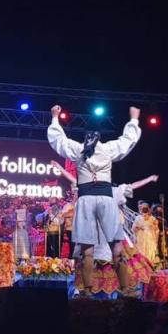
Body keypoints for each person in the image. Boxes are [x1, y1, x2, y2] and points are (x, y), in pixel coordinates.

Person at [47, 104, 141, 297]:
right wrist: (133, 120)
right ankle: (125, 289)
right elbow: (127, 141)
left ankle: (87, 291)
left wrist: (55, 117)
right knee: (116, 246)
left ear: (85, 136)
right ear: (100, 136)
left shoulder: (78, 149)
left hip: (87, 200)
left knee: (87, 249)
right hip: (105, 199)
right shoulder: (107, 149)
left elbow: (58, 141)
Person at [134, 201, 160, 266]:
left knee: (150, 250)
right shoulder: (138, 218)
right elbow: (134, 228)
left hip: (150, 237)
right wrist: (138, 228)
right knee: (142, 250)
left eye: (146, 207)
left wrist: (153, 228)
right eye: (143, 208)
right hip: (141, 237)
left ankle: (150, 264)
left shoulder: (153, 218)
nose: (144, 209)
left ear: (148, 208)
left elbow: (157, 229)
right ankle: (143, 265)